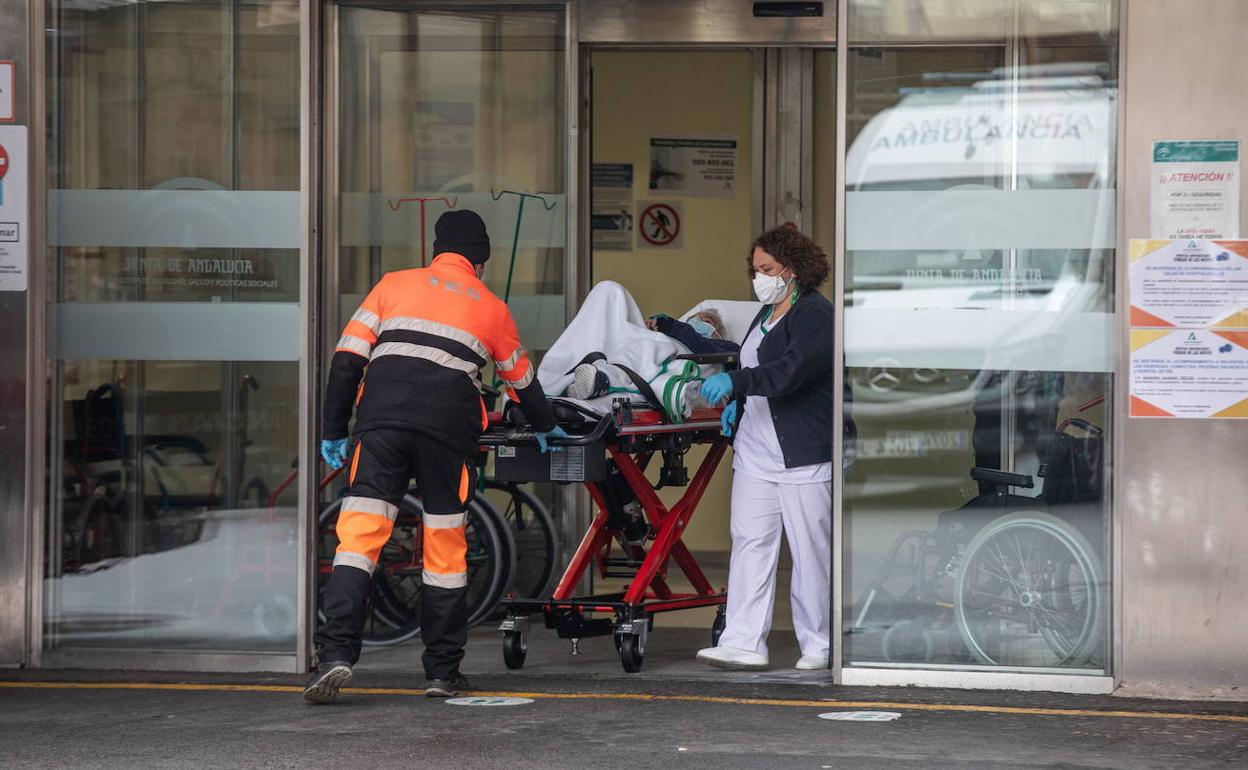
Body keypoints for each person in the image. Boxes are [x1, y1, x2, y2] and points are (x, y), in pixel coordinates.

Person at [305, 209, 567, 704]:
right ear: (480, 263)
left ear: (436, 251)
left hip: (381, 427)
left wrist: (333, 428)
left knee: (358, 542)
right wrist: (545, 424)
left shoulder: (393, 284)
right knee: (445, 552)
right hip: (448, 435)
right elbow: (522, 381)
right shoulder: (492, 308)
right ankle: (441, 673)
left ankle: (335, 654)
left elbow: (347, 361)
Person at [695, 225, 844, 671]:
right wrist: (738, 404)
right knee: (750, 544)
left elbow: (792, 372)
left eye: (768, 269)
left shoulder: (815, 315)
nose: (760, 277)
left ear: (793, 269)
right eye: (756, 269)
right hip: (756, 451)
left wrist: (737, 382)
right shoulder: (766, 313)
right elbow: (755, 363)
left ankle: (818, 644)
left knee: (810, 552)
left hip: (802, 455)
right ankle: (744, 640)